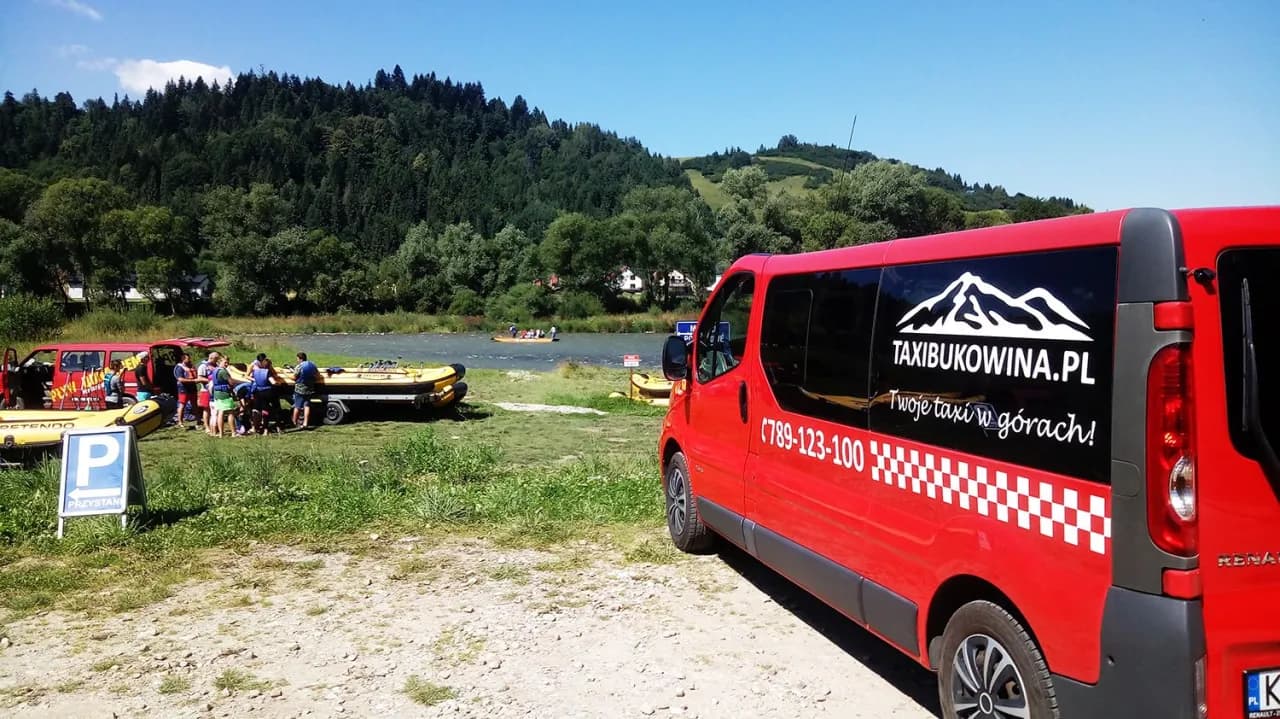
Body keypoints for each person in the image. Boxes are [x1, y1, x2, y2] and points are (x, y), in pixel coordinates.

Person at [251, 357, 282, 435]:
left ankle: (265, 429)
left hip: (259, 392)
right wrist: (278, 383)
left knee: (265, 411)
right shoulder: (268, 372)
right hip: (269, 392)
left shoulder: (256, 371)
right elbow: (273, 382)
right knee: (276, 408)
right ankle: (278, 427)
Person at [209, 356, 236, 437]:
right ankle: (233, 432)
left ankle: (221, 433)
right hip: (224, 393)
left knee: (220, 412)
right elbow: (231, 382)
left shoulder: (215, 370)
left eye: (227, 362)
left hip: (217, 393)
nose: (227, 364)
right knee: (230, 412)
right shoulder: (223, 371)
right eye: (225, 362)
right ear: (219, 362)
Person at [291, 351, 319, 429]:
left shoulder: (299, 366)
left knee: (297, 406)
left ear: (300, 359)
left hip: (299, 389)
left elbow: (294, 378)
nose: (297, 360)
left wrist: (286, 374)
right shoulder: (312, 365)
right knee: (307, 405)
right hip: (309, 389)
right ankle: (305, 423)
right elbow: (317, 375)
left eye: (297, 359)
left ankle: (294, 422)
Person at [173, 353, 197, 426]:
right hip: (183, 389)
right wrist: (193, 381)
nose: (189, 359)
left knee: (194, 404)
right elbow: (180, 379)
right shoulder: (179, 367)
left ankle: (198, 418)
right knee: (182, 405)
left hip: (192, 388)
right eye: (187, 358)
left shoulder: (191, 366)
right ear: (183, 359)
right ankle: (180, 421)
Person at [196, 352, 218, 431]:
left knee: (215, 408)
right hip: (205, 390)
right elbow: (199, 378)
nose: (217, 361)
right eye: (216, 359)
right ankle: (207, 426)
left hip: (215, 390)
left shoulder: (216, 365)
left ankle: (214, 426)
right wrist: (211, 381)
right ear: (211, 358)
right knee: (206, 409)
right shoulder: (203, 366)